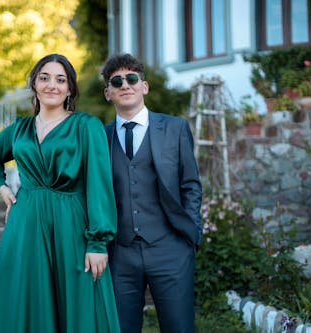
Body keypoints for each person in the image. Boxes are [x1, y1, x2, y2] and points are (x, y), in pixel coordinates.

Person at [0, 53, 120, 333]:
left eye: (60, 80)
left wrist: (98, 243)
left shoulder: (86, 126)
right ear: (35, 85)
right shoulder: (19, 129)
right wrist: (2, 188)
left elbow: (99, 184)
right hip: (25, 225)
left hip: (71, 226)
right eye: (45, 77)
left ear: (70, 89)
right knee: (26, 299)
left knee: (77, 302)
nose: (52, 85)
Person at [101, 53, 203, 333]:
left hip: (170, 247)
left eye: (132, 78)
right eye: (117, 81)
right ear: (108, 93)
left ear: (144, 86)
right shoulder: (100, 137)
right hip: (120, 253)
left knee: (179, 328)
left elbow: (190, 184)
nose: (125, 85)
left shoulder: (175, 128)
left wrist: (191, 233)